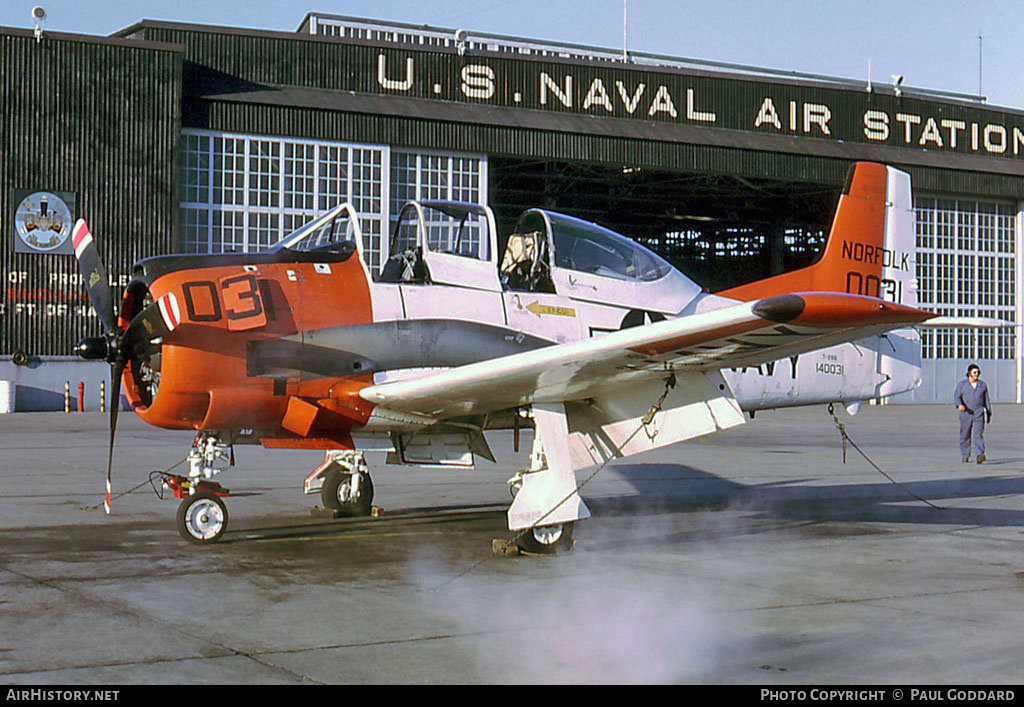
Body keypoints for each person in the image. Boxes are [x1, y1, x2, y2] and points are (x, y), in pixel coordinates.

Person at [954, 364, 992, 463]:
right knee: (965, 435)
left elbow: (986, 400)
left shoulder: (982, 385)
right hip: (966, 413)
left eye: (978, 372)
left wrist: (989, 412)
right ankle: (965, 454)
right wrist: (959, 405)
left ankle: (980, 454)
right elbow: (957, 396)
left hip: (979, 413)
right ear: (969, 373)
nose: (977, 374)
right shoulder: (962, 385)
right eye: (974, 372)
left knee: (978, 434)